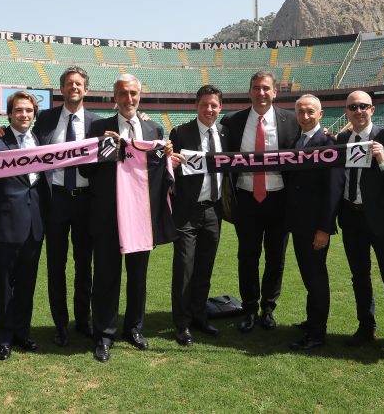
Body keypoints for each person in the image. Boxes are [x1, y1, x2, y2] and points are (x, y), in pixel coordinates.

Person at [79, 73, 170, 362]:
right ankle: (104, 335)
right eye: (122, 93)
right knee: (106, 276)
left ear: (139, 95)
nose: (128, 99)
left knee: (138, 277)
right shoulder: (97, 127)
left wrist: (167, 155)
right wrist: (102, 151)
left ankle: (134, 328)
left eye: (133, 93)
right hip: (108, 216)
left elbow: (160, 175)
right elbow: (85, 172)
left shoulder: (154, 130)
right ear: (113, 97)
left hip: (141, 217)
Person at [219, 71, 298, 332]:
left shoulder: (291, 121)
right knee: (247, 256)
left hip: (280, 200)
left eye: (266, 88)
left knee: (276, 258)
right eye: (256, 88)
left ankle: (269, 308)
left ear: (275, 91)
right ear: (249, 91)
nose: (261, 93)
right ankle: (250, 308)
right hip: (246, 199)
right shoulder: (232, 122)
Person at [335, 90, 384, 365]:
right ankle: (366, 327)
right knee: (359, 277)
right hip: (352, 219)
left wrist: (382, 159)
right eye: (353, 107)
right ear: (346, 112)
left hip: (382, 221)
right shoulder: (343, 139)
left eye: (363, 106)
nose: (358, 111)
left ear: (372, 109)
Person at [0, 91, 46, 361]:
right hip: (2, 225)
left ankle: (22, 333)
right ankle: (3, 338)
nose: (24, 115)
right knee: (2, 285)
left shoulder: (41, 140)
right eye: (18, 110)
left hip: (34, 225)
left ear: (34, 114)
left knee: (27, 284)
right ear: (10, 113)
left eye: (28, 110)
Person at [32, 66, 100, 347]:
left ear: (86, 89)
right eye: (69, 83)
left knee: (85, 265)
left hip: (86, 201)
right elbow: (24, 141)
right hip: (55, 199)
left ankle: (83, 320)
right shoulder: (45, 119)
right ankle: (60, 324)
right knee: (56, 266)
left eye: (79, 84)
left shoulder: (98, 122)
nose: (74, 87)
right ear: (61, 89)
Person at [168, 85, 228, 346]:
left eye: (214, 105)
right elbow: (168, 166)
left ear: (220, 108)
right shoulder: (180, 132)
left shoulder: (225, 134)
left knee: (205, 268)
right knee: (184, 268)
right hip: (187, 212)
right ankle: (182, 324)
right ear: (197, 106)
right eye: (205, 104)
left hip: (214, 210)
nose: (210, 109)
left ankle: (200, 316)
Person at [285, 95, 344, 350]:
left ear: (320, 114)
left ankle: (318, 334)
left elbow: (333, 191)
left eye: (310, 112)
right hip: (298, 224)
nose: (305, 116)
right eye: (300, 112)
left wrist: (324, 228)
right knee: (309, 277)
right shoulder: (297, 141)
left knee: (317, 277)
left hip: (315, 227)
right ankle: (312, 321)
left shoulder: (328, 143)